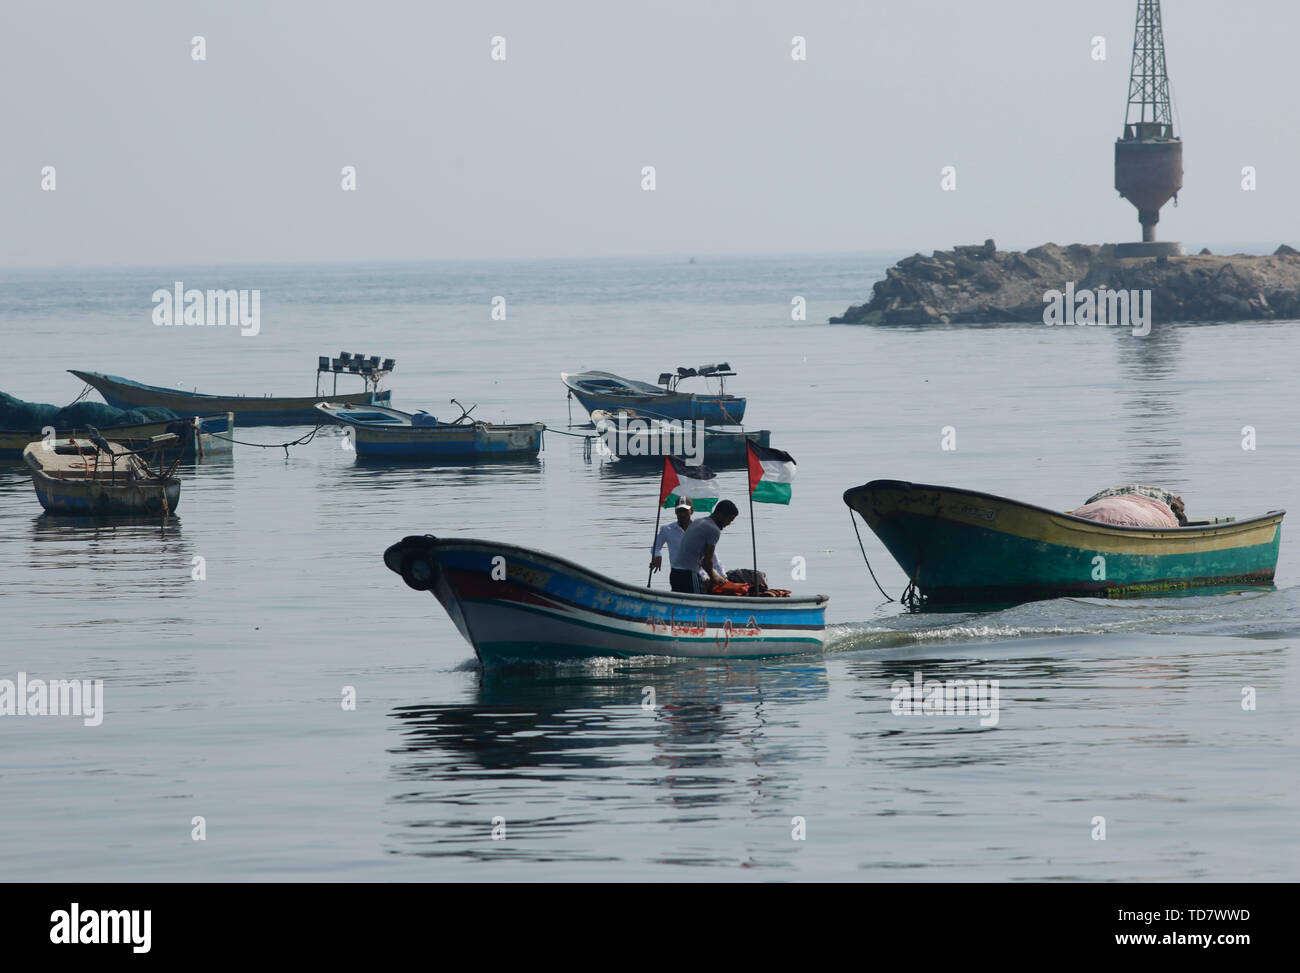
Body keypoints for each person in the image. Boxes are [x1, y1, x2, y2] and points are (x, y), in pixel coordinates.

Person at [650, 498, 725, 593]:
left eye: (685, 510)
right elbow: (655, 548)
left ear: (691, 511)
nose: (682, 514)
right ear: (675, 512)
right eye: (679, 511)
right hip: (676, 574)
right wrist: (657, 556)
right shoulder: (667, 529)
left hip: (696, 575)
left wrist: (723, 575)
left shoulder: (701, 529)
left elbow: (712, 556)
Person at [677, 499, 739, 594]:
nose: (728, 524)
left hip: (675, 573)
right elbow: (706, 562)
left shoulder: (698, 521)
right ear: (720, 514)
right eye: (729, 520)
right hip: (689, 575)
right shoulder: (714, 530)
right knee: (697, 603)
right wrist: (714, 576)